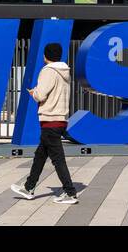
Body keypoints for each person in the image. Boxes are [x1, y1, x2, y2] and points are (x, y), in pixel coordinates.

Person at [10, 43, 78, 205]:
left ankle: (70, 192)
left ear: (45, 56)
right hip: (60, 119)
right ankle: (29, 187)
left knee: (58, 159)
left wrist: (33, 92)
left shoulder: (48, 71)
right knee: (40, 155)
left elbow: (41, 95)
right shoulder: (65, 72)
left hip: (50, 120)